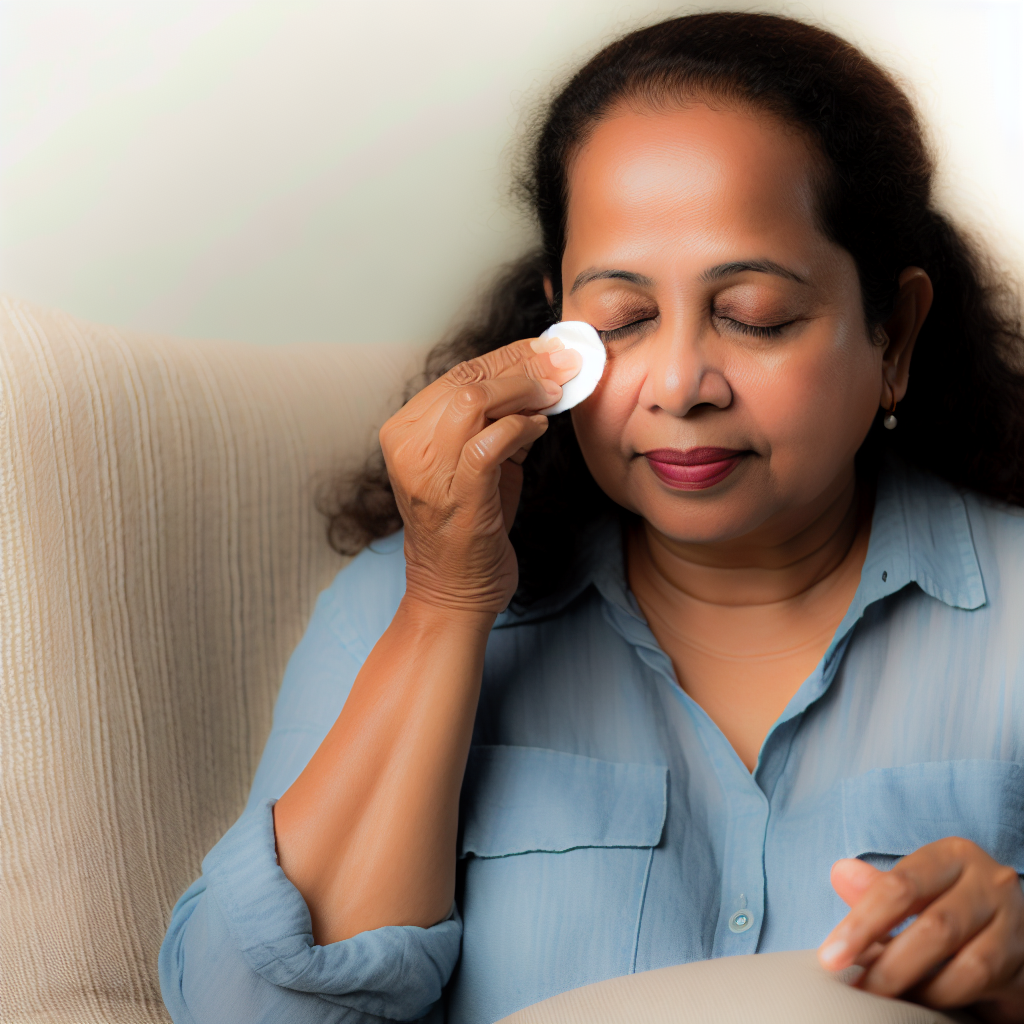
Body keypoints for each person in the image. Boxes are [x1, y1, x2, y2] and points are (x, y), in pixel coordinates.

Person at [159, 12, 1024, 1024]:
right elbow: (248, 1012)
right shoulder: (402, 605)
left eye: (753, 316)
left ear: (893, 334)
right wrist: (446, 603)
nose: (678, 384)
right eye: (617, 321)